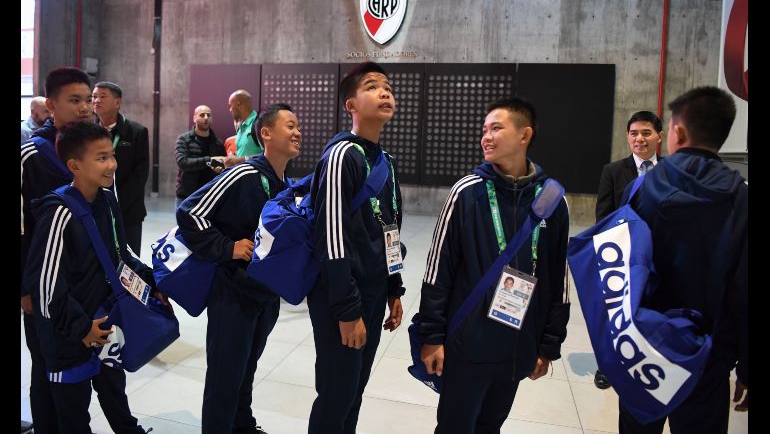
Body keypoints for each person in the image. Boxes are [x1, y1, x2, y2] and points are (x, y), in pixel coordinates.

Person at [416, 96, 570, 434]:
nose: (486, 136)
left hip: (517, 343)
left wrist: (548, 345)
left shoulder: (552, 199)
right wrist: (431, 335)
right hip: (467, 345)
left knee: (491, 426)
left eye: (496, 128)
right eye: (484, 130)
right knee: (455, 427)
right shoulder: (467, 192)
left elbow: (558, 280)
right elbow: (437, 270)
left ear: (524, 134)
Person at [617, 86, 747, 433]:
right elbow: (745, 289)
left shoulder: (644, 187)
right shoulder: (741, 197)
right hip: (708, 356)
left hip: (643, 350)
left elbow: (618, 266)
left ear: (677, 131)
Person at [23, 121, 165, 433]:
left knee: (114, 389)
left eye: (112, 155)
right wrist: (80, 328)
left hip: (105, 323)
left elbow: (120, 256)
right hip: (69, 337)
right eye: (101, 158)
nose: (112, 164)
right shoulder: (58, 212)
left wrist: (151, 285)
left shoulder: (107, 202)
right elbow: (45, 288)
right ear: (74, 165)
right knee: (73, 413)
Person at [177, 103, 302, 434]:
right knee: (225, 374)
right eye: (289, 125)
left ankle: (242, 425)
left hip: (264, 296)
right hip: (232, 293)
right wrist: (226, 247)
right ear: (265, 134)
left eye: (298, 126)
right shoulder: (243, 173)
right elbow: (190, 211)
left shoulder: (284, 185)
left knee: (246, 368)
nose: (297, 132)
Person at [307, 62, 406, 434]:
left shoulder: (386, 163)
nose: (384, 92)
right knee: (336, 393)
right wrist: (347, 310)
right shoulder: (340, 157)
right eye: (372, 86)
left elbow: (391, 229)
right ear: (351, 104)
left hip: (373, 289)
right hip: (341, 296)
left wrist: (393, 288)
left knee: (354, 391)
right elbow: (330, 237)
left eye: (387, 87)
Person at [21, 67, 95, 434]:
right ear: (51, 105)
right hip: (43, 286)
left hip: (83, 283)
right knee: (46, 366)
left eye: (88, 100)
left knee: (76, 371)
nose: (84, 107)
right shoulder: (31, 156)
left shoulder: (93, 149)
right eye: (74, 100)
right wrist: (23, 290)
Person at [593, 110, 664, 389]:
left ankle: (645, 362)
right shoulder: (613, 171)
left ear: (659, 135)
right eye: (634, 133)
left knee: (650, 312)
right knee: (616, 313)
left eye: (646, 133)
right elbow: (604, 217)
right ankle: (608, 365)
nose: (639, 139)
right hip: (623, 257)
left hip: (661, 257)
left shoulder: (672, 170)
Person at [92, 81, 150, 254]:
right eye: (94, 97)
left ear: (117, 102)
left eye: (103, 96)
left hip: (128, 210)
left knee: (128, 259)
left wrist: (116, 204)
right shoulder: (87, 132)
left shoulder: (136, 131)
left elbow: (140, 173)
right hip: (95, 207)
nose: (96, 101)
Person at [174, 104, 226, 208]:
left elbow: (224, 167)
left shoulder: (218, 144)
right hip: (186, 197)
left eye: (209, 115)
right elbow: (183, 163)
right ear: (194, 118)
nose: (206, 118)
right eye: (202, 115)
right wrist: (209, 161)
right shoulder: (183, 140)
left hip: (209, 198)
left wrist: (221, 168)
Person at [222, 89, 262, 168]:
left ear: (238, 105)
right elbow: (243, 155)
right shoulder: (240, 128)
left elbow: (270, 156)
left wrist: (239, 160)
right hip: (244, 178)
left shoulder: (260, 124)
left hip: (257, 179)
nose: (230, 110)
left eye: (230, 106)